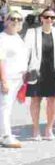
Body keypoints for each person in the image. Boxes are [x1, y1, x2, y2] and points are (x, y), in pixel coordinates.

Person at [25, 8, 55, 141]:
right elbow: (26, 54)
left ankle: (49, 129)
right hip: (36, 70)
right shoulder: (32, 32)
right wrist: (24, 71)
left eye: (52, 17)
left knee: (53, 101)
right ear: (41, 18)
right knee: (36, 100)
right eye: (47, 17)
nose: (49, 20)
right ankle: (36, 129)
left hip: (54, 71)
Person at [0, 11, 29, 148]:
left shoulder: (18, 37)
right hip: (7, 78)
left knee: (8, 107)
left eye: (19, 19)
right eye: (12, 18)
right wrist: (3, 80)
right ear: (6, 21)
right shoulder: (2, 38)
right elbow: (1, 60)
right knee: (5, 107)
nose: (16, 21)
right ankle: (6, 136)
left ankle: (3, 133)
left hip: (18, 79)